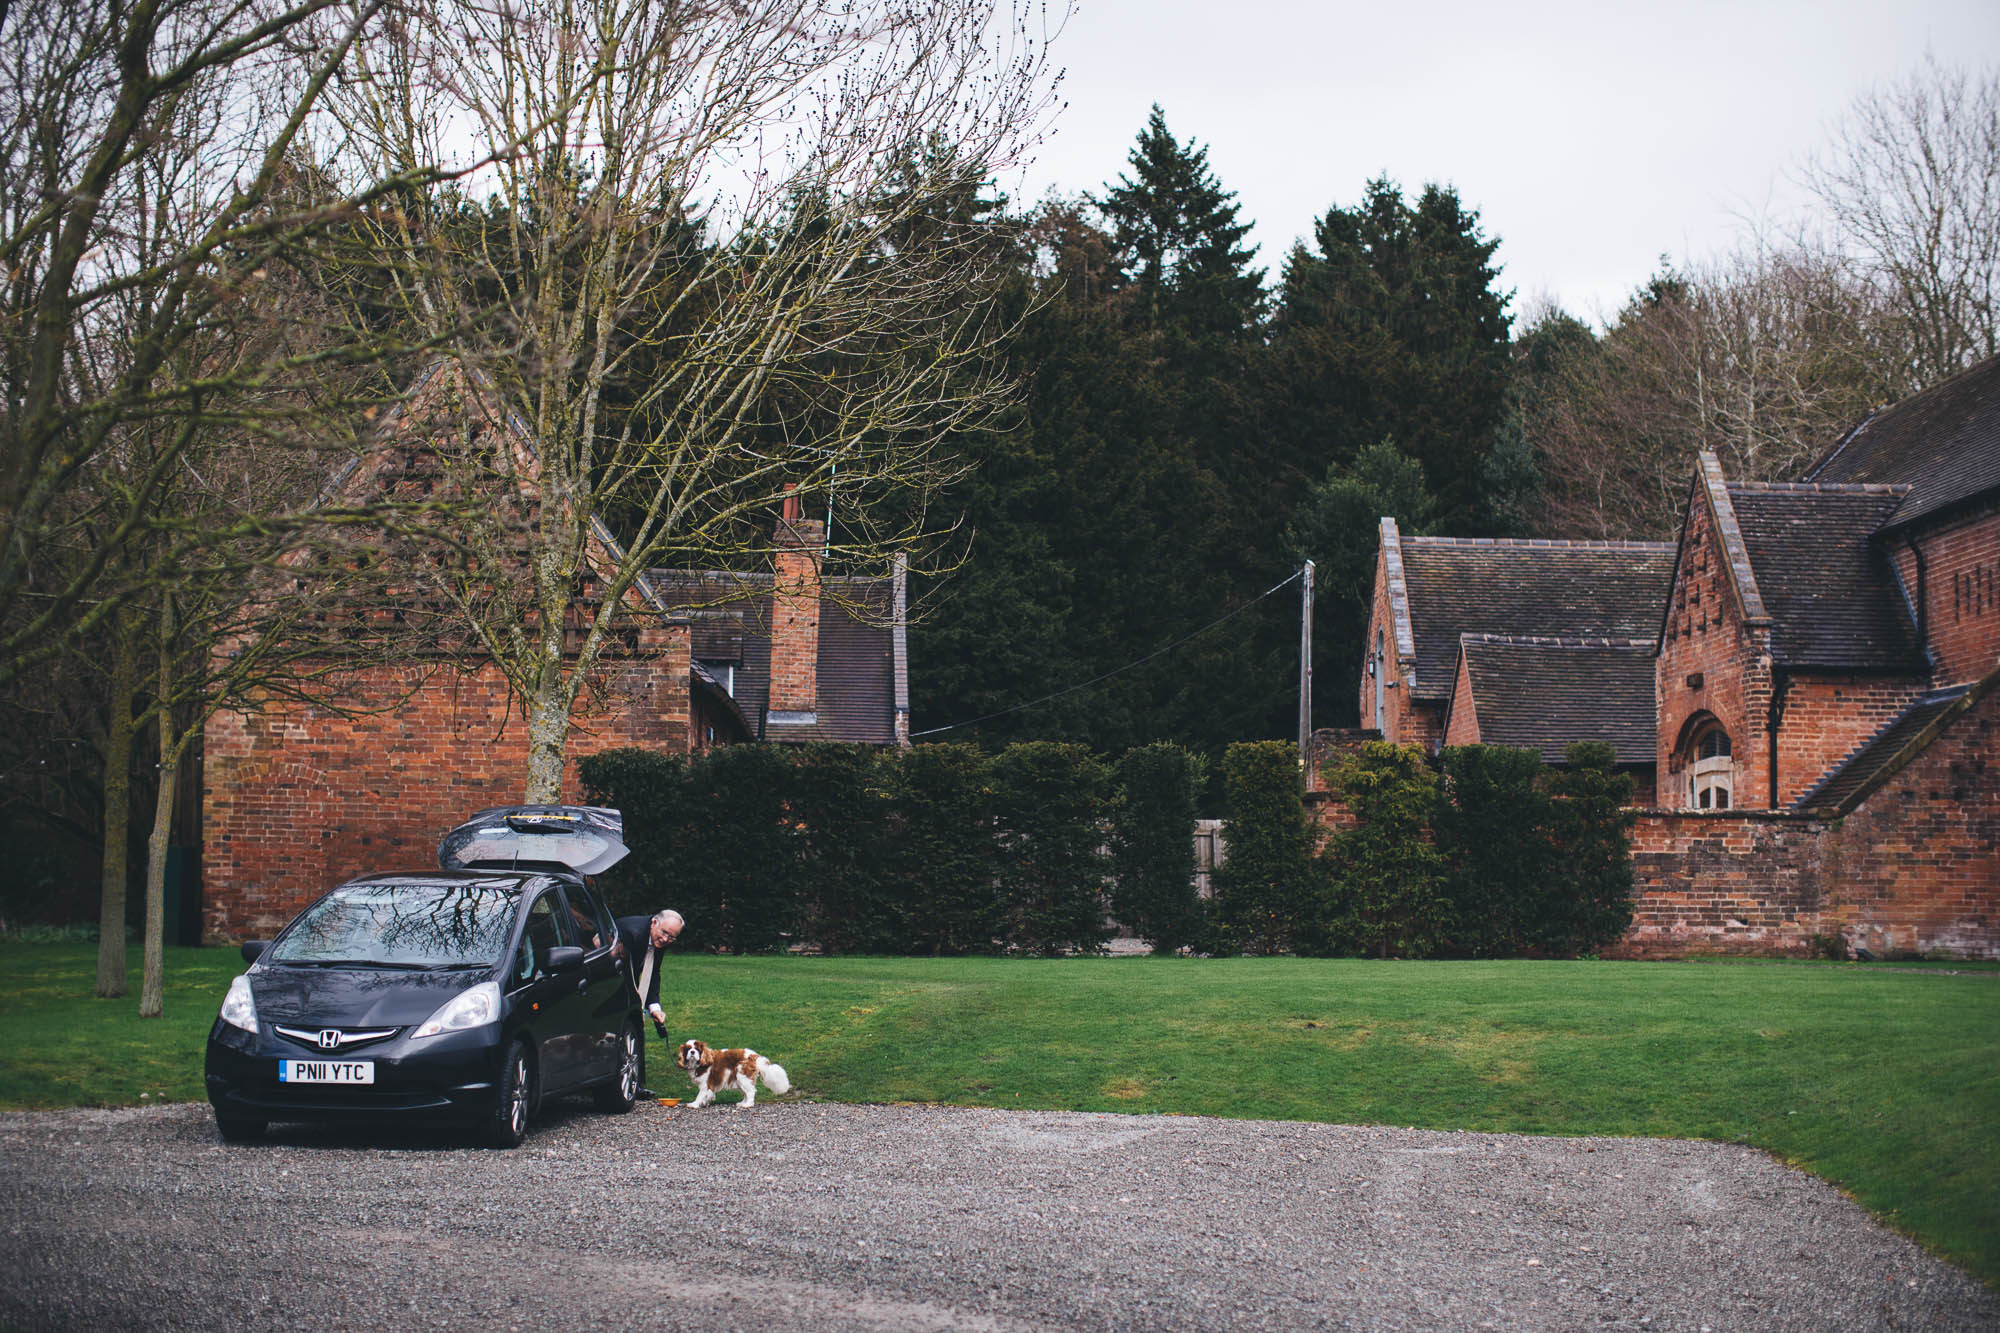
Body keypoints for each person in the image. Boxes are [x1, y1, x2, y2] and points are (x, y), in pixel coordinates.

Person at [614, 909, 683, 1097]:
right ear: (654, 923)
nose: (666, 939)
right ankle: (622, 1084)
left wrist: (654, 1008)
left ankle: (635, 1084)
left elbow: (653, 973)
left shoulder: (659, 940)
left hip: (630, 981)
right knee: (627, 1027)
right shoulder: (632, 934)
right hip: (611, 981)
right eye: (664, 933)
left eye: (672, 937)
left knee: (636, 1027)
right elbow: (620, 969)